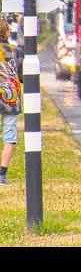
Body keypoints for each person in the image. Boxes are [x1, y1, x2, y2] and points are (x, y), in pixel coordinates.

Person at [0, 19, 24, 185]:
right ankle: (2, 175)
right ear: (7, 32)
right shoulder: (17, 52)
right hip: (10, 99)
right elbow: (23, 77)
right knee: (9, 137)